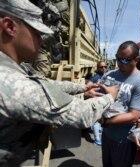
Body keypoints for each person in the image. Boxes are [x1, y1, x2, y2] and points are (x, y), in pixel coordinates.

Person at [0, 0, 118, 166]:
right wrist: (110, 97)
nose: (42, 43)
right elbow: (84, 114)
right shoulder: (10, 82)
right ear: (10, 27)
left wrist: (82, 89)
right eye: (37, 34)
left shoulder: (16, 70)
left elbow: (44, 86)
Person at [100, 41, 140, 167]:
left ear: (137, 59)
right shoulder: (110, 75)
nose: (120, 63)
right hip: (106, 135)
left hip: (123, 140)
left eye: (125, 60)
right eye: (118, 58)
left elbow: (134, 115)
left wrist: (106, 122)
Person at [87, 61, 108, 145]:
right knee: (97, 120)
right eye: (101, 67)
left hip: (104, 101)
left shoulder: (106, 76)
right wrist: (92, 92)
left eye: (105, 66)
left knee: (101, 118)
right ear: (97, 68)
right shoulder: (95, 77)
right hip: (98, 101)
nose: (103, 68)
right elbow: (88, 86)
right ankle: (97, 140)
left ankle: (98, 131)